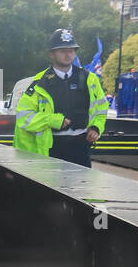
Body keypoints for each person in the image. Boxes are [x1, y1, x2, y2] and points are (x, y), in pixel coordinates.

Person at [13, 28, 108, 168]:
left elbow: (102, 108)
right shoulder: (40, 83)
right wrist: (53, 120)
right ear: (52, 54)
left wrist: (96, 128)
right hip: (53, 147)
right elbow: (24, 117)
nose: (68, 54)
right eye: (63, 51)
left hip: (81, 147)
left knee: (81, 189)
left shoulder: (89, 79)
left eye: (71, 50)